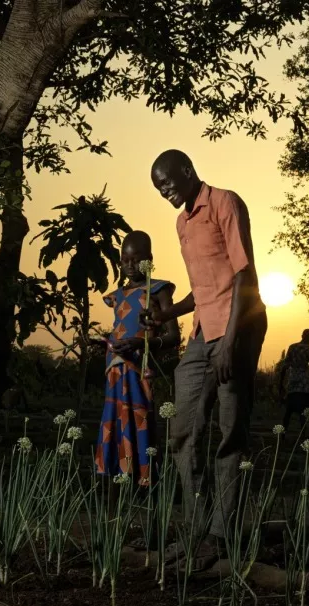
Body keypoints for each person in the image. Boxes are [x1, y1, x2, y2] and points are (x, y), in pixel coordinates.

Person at [144, 149, 267, 572]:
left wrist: (230, 342)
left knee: (230, 431)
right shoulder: (182, 222)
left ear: (189, 172)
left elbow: (241, 277)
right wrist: (166, 314)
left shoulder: (225, 203)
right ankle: (196, 529)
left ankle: (219, 536)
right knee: (182, 430)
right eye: (159, 189)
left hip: (239, 327)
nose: (165, 193)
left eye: (169, 184)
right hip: (202, 332)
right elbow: (204, 288)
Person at [91, 231, 180, 486]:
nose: (129, 265)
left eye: (136, 259)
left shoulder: (158, 291)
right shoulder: (117, 296)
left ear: (149, 259)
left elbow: (173, 336)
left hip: (140, 367)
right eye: (124, 259)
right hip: (115, 367)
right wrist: (103, 343)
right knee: (114, 418)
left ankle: (143, 480)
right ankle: (113, 478)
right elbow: (119, 328)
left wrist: (142, 343)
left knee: (139, 418)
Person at [276, 329, 309, 430]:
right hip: (304, 384)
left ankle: (282, 434)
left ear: (302, 336)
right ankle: (303, 434)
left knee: (289, 409)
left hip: (292, 381)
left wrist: (281, 383)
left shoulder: (292, 347)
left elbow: (284, 367)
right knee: (304, 410)